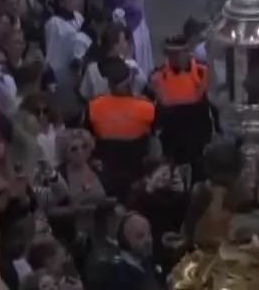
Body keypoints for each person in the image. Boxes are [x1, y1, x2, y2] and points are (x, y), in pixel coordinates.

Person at [85, 58, 156, 195]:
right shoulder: (146, 107)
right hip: (137, 175)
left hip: (106, 174)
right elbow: (154, 139)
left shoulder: (94, 106)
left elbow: (87, 137)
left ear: (109, 83)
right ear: (130, 79)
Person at [148, 34, 212, 170]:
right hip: (172, 139)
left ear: (187, 52)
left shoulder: (202, 71)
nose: (174, 58)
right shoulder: (158, 76)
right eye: (170, 54)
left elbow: (209, 104)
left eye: (178, 53)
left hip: (196, 136)